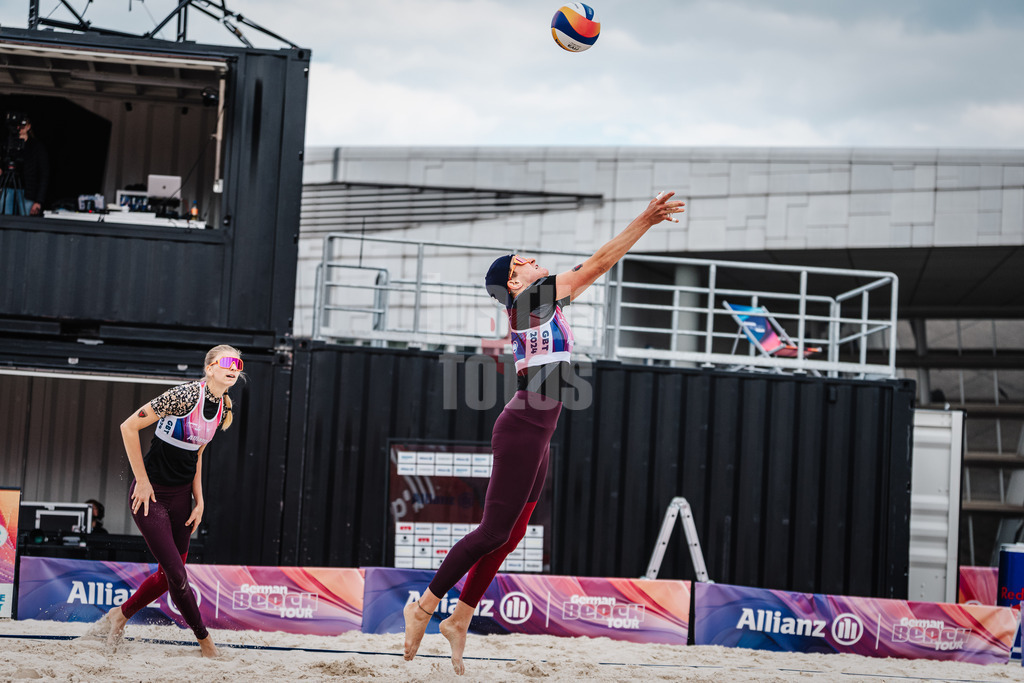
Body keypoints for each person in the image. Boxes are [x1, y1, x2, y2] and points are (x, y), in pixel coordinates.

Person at [402, 191, 685, 674]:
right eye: (522, 260)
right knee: (492, 531)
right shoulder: (532, 298)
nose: (533, 259)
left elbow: (591, 271)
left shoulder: (539, 304)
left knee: (508, 538)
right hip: (523, 427)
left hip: (536, 430)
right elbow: (598, 262)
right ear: (514, 281)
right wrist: (646, 220)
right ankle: (424, 606)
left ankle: (460, 619)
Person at [89, 345, 243, 658]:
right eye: (228, 362)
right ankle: (206, 644)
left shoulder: (225, 408)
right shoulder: (184, 396)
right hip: (151, 495)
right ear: (210, 367)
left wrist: (200, 501)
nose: (235, 368)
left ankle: (119, 615)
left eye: (239, 364)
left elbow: (196, 456)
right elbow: (128, 426)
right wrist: (142, 482)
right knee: (177, 575)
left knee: (167, 575)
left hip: (182, 499)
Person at [0, 114, 48, 216]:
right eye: (18, 125)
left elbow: (44, 174)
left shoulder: (37, 147)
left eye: (23, 125)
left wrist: (39, 201)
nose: (20, 128)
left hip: (28, 192)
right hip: (8, 188)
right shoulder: (7, 144)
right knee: (4, 218)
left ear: (28, 126)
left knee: (26, 220)